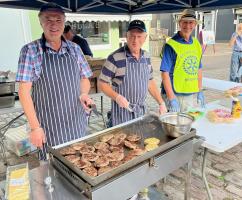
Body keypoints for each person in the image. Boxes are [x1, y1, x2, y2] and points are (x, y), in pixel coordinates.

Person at [16, 2, 94, 160]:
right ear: (40, 22)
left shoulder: (75, 49)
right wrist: (35, 127)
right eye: (48, 20)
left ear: (64, 23)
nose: (53, 25)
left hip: (76, 122)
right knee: (52, 174)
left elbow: (85, 78)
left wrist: (84, 94)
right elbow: (24, 92)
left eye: (58, 20)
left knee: (81, 164)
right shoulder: (30, 51)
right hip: (49, 128)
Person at [98, 20, 167, 127]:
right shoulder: (115, 57)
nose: (135, 40)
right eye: (132, 36)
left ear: (145, 38)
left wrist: (161, 102)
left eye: (139, 36)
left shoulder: (146, 57)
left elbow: (150, 82)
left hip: (141, 113)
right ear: (126, 36)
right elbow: (102, 83)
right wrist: (117, 97)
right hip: (121, 114)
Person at [160, 9, 205, 112]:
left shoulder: (196, 44)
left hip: (189, 94)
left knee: (186, 125)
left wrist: (200, 90)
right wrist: (171, 98)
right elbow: (164, 74)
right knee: (172, 127)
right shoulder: (171, 45)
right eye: (185, 22)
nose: (187, 26)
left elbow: (199, 69)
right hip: (173, 94)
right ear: (179, 23)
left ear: (195, 24)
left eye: (191, 22)